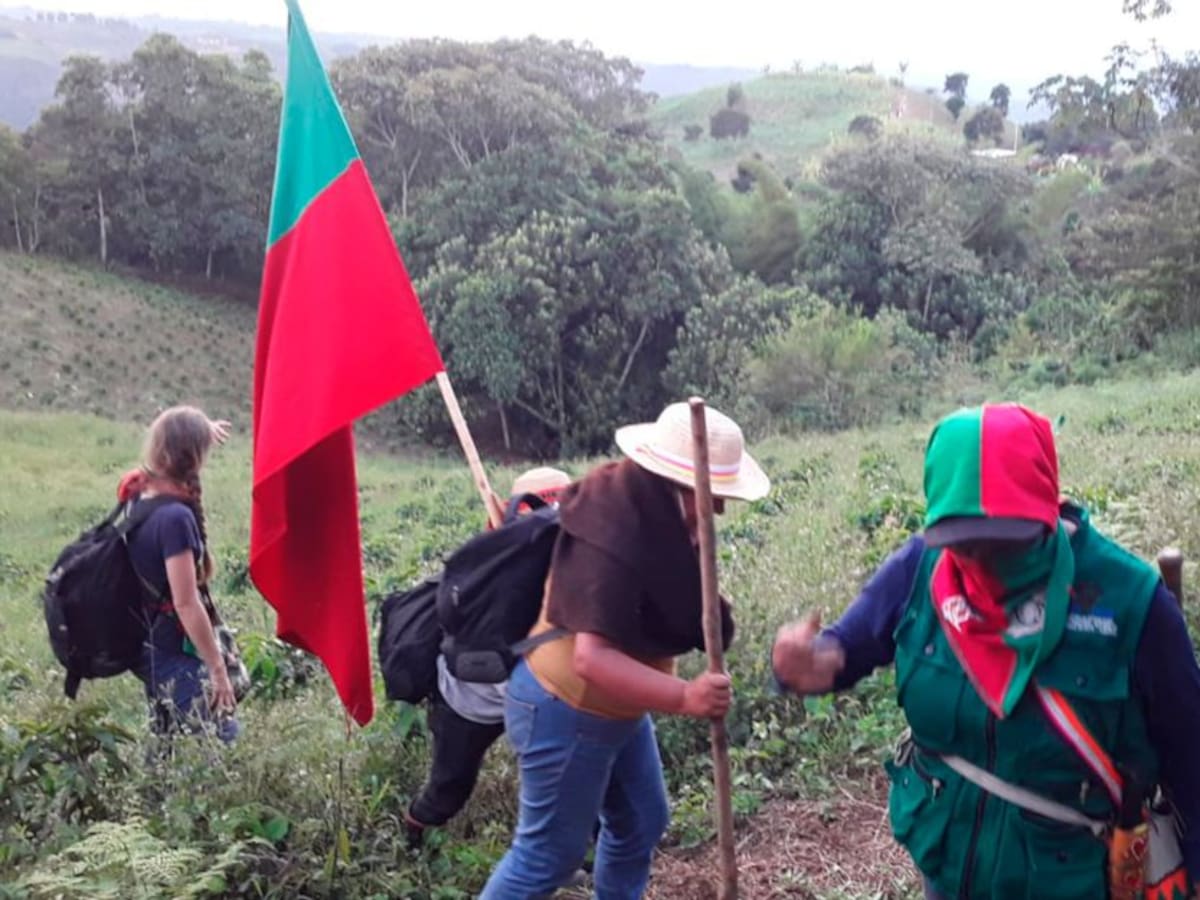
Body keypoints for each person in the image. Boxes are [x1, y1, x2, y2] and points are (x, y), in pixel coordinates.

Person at [771, 403, 1200, 900]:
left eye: (1004, 543)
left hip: (1069, 880)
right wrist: (810, 665)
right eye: (965, 544)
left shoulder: (1127, 601)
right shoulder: (920, 570)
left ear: (1047, 510)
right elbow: (845, 648)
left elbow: (1190, 754)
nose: (982, 562)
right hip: (949, 868)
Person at [481, 402, 771, 900]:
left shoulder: (658, 515)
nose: (719, 509)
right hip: (565, 707)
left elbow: (692, 613)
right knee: (549, 855)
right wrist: (684, 697)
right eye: (712, 495)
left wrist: (697, 542)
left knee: (640, 821)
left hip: (618, 710)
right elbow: (590, 659)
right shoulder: (613, 523)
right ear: (675, 482)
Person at [403, 467, 573, 849]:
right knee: (448, 789)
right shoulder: (485, 564)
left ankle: (563, 858)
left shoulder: (572, 560)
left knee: (563, 776)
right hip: (469, 701)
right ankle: (413, 832)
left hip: (534, 695)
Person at [117, 406, 241, 744]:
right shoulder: (174, 520)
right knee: (225, 739)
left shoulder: (139, 492)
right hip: (167, 648)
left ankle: (153, 796)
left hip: (143, 640)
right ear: (194, 458)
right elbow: (186, 604)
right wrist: (217, 670)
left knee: (164, 742)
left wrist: (202, 431)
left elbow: (176, 438)